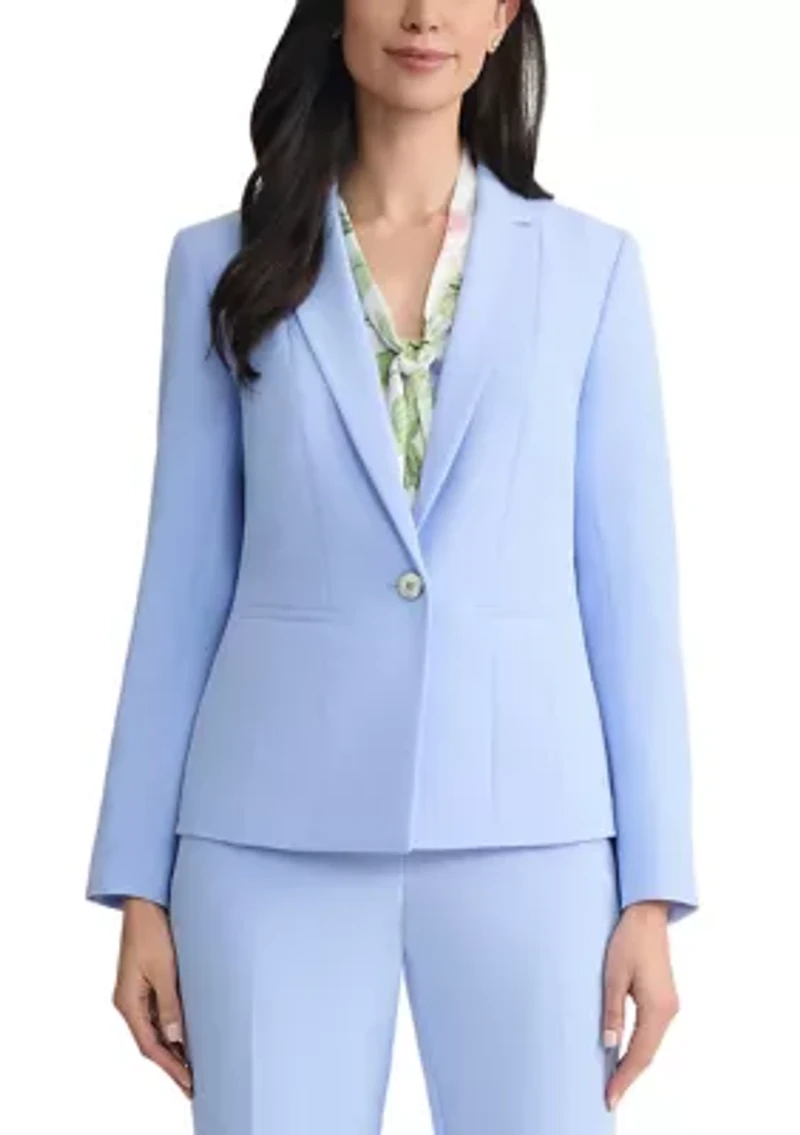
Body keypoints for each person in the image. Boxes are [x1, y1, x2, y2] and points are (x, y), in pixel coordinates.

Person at [85, 2, 699, 1132]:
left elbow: (629, 596)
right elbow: (180, 583)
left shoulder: (590, 271)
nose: (422, 15)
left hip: (531, 830)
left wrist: (653, 888)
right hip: (266, 835)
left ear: (502, 17)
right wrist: (137, 882)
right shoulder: (221, 264)